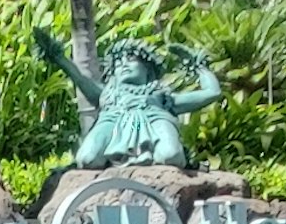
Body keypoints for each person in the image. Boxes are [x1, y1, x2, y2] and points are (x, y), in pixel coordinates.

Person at [38, 30, 224, 169]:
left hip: (154, 118)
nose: (123, 65)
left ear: (147, 68)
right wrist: (58, 57)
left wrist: (199, 67)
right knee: (88, 159)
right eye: (118, 63)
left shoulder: (162, 96)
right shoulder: (106, 93)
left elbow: (212, 92)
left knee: (171, 156)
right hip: (113, 120)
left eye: (131, 59)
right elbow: (79, 77)